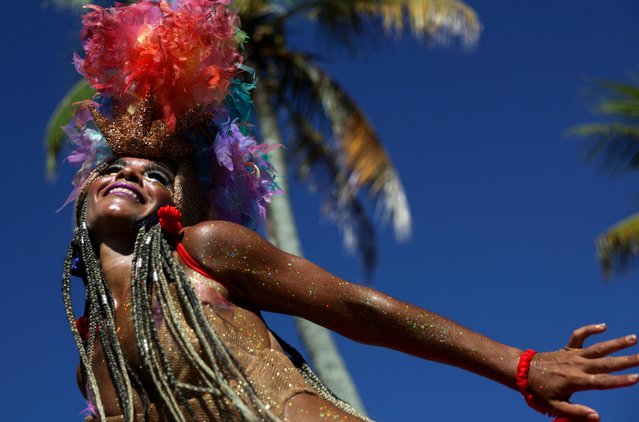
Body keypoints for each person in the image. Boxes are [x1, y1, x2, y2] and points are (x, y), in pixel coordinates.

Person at [59, 1, 639, 421]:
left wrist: (519, 365)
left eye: (155, 174)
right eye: (113, 167)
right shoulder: (92, 353)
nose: (130, 173)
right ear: (84, 198)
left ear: (175, 204)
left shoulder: (204, 251)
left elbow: (352, 306)